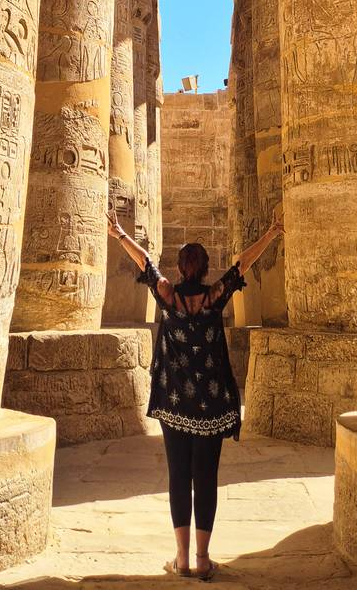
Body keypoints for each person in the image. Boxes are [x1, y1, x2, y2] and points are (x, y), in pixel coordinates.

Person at [107, 208, 284, 580]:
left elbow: (145, 263)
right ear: (203, 270)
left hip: (175, 404)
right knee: (204, 477)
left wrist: (119, 234)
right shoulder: (213, 297)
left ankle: (182, 557)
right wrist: (271, 233)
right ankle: (203, 559)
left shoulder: (169, 296)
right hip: (211, 405)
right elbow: (241, 265)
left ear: (181, 267)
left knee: (178, 476)